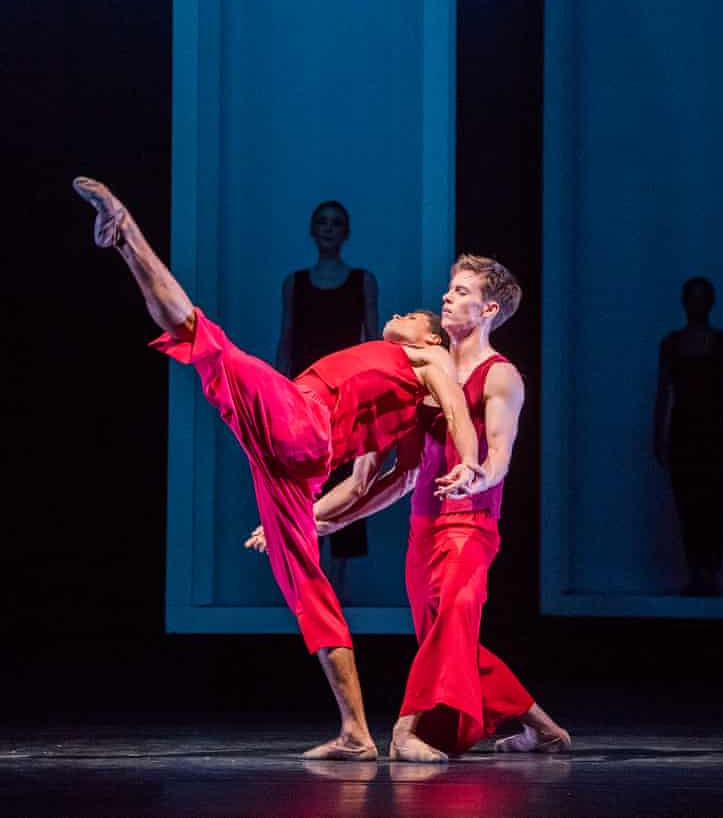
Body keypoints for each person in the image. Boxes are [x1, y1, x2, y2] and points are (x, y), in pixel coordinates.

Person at [73, 176, 486, 761]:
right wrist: (312, 521)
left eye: (413, 315)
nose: (400, 314)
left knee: (203, 339)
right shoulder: (394, 400)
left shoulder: (427, 356)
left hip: (301, 419)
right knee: (306, 587)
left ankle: (124, 232)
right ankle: (357, 733)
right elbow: (372, 483)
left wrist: (468, 462)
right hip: (294, 463)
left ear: (430, 335)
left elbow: (450, 412)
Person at [249, 255, 570, 762]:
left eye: (462, 292)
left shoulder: (500, 376)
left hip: (470, 525)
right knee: (448, 640)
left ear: (488, 309)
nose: (447, 296)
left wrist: (478, 473)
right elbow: (393, 481)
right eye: (450, 288)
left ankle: (404, 731)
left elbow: (501, 454)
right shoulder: (420, 376)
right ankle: (545, 730)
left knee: (452, 624)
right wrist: (312, 519)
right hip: (423, 532)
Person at [275, 200, 379, 598]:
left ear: (346, 231)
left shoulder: (362, 280)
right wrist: (276, 395)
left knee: (346, 481)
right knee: (305, 483)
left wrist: (373, 397)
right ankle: (310, 588)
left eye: (337, 223)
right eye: (323, 222)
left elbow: (372, 340)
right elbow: (286, 339)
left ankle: (338, 589)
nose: (329, 229)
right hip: (304, 396)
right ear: (312, 230)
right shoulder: (295, 283)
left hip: (347, 397)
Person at [654, 276, 723, 595]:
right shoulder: (672, 345)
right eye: (693, 298)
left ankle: (711, 572)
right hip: (684, 433)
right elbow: (663, 392)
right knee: (687, 504)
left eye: (702, 298)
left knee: (716, 504)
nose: (697, 304)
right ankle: (696, 572)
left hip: (714, 433)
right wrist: (659, 436)